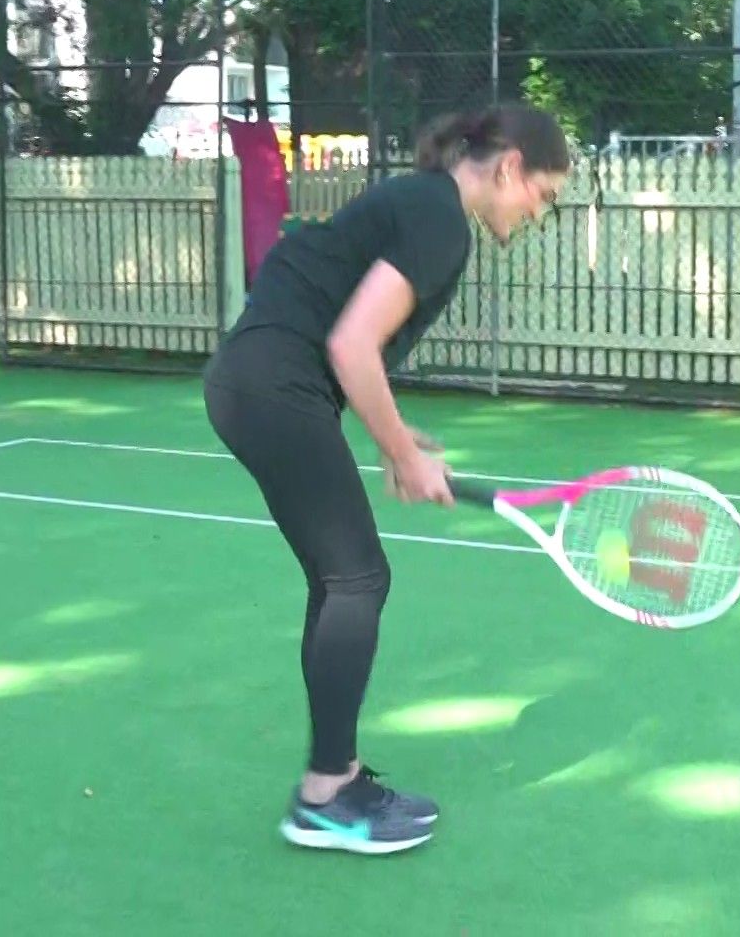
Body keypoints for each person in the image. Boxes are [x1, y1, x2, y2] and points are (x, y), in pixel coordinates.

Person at [202, 103, 572, 854]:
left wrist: (392, 439)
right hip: (273, 385)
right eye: (545, 194)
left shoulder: (423, 204)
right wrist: (401, 453)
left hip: (256, 382)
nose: (540, 212)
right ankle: (325, 795)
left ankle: (332, 781)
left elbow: (334, 331)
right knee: (357, 578)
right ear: (509, 167)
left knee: (340, 578)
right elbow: (351, 345)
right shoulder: (440, 219)